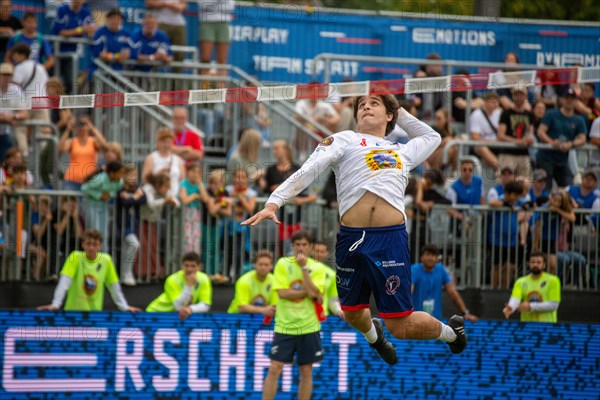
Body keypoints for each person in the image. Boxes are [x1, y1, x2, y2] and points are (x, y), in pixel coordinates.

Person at [243, 94, 467, 367]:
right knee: (352, 313)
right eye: (361, 105)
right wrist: (274, 202)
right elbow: (309, 170)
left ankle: (451, 334)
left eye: (374, 104)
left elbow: (432, 137)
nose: (366, 107)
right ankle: (376, 339)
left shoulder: (402, 150)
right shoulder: (344, 139)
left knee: (400, 326)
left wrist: (400, 111)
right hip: (351, 239)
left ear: (389, 116)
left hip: (389, 241)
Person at [261, 231, 329, 400]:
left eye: (304, 245)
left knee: (306, 370)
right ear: (292, 246)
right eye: (297, 244)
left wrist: (304, 268)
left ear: (310, 247)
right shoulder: (283, 264)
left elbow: (315, 294)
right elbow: (283, 293)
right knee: (275, 367)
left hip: (309, 325)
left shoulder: (318, 268)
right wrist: (308, 292)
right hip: (285, 325)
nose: (301, 248)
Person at [37, 229, 140, 312]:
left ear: (100, 246)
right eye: (88, 243)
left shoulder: (106, 260)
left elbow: (114, 287)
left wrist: (125, 307)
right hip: (73, 314)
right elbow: (64, 282)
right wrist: (56, 304)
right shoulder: (75, 257)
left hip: (94, 316)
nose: (91, 247)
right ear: (83, 244)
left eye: (95, 244)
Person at [411, 244, 478, 322]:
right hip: (416, 319)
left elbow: (452, 292)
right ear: (421, 257)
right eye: (427, 254)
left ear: (437, 258)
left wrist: (465, 313)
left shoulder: (440, 270)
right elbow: (408, 291)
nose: (430, 258)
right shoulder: (414, 270)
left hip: (435, 320)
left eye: (433, 255)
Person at [536, 89, 588, 188]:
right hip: (546, 157)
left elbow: (582, 138)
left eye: (572, 98)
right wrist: (551, 142)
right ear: (561, 100)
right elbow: (540, 132)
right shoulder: (551, 114)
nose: (569, 101)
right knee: (546, 187)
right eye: (566, 98)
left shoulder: (579, 120)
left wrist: (571, 144)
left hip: (562, 159)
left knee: (568, 187)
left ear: (576, 101)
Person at [146, 251, 212, 320]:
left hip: (176, 316)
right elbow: (178, 306)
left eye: (193, 266)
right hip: (156, 313)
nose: (189, 269)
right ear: (182, 266)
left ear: (199, 267)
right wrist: (188, 285)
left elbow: (205, 305)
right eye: (186, 266)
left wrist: (190, 308)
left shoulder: (204, 279)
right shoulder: (172, 280)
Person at [50, 0, 96, 93]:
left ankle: (64, 106)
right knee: (52, 82)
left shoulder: (85, 12)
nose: (78, 1)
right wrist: (81, 30)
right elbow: (62, 32)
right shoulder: (62, 9)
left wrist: (92, 31)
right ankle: (50, 106)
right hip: (55, 52)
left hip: (71, 54)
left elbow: (92, 32)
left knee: (70, 83)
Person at [502, 252, 561, 323]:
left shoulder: (553, 280)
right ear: (529, 264)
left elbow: (553, 305)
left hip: (547, 326)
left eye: (538, 262)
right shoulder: (520, 281)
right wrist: (510, 307)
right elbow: (515, 299)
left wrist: (530, 306)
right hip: (527, 326)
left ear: (544, 265)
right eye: (532, 262)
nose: (535, 264)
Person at [80, 160, 125, 249]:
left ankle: (103, 255)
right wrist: (99, 195)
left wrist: (109, 194)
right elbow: (84, 187)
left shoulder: (119, 182)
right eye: (120, 173)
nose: (121, 175)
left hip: (103, 207)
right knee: (93, 232)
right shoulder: (100, 179)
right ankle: (92, 254)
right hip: (91, 206)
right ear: (112, 173)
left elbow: (115, 191)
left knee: (104, 233)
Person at [59, 114, 107, 191]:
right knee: (68, 202)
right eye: (79, 124)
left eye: (84, 124)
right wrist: (68, 129)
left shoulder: (93, 141)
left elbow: (104, 144)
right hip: (71, 181)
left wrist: (91, 127)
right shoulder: (72, 141)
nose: (81, 127)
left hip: (89, 181)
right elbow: (60, 148)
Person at [496, 85, 535, 179]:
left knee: (524, 185)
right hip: (508, 153)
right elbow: (500, 135)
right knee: (505, 183)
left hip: (524, 154)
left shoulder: (529, 114)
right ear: (512, 96)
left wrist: (530, 140)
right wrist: (517, 141)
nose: (519, 98)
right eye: (516, 95)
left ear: (525, 97)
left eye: (521, 95)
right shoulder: (506, 113)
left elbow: (531, 133)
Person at [227, 249, 275, 316]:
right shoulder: (244, 281)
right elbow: (242, 307)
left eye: (266, 265)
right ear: (254, 265)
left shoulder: (275, 281)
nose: (263, 267)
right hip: (235, 318)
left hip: (261, 319)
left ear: (271, 266)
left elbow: (274, 306)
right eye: (260, 264)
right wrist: (264, 310)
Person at [90, 8, 135, 80]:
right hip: (101, 71)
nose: (115, 21)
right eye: (113, 18)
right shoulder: (100, 32)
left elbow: (132, 52)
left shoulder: (126, 33)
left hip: (119, 73)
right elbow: (97, 53)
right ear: (107, 19)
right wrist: (116, 56)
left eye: (118, 19)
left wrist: (126, 54)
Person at [146, 0, 186, 72]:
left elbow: (182, 6)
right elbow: (150, 3)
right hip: (160, 22)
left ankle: (176, 81)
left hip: (178, 24)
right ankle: (152, 79)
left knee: (179, 54)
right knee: (155, 51)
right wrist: (167, 4)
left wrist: (170, 5)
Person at [0, 63, 28, 164]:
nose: (6, 78)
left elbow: (24, 113)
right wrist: (5, 118)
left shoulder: (16, 90)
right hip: (7, 131)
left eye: (8, 75)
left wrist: (13, 116)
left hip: (6, 133)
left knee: (6, 164)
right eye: (4, 74)